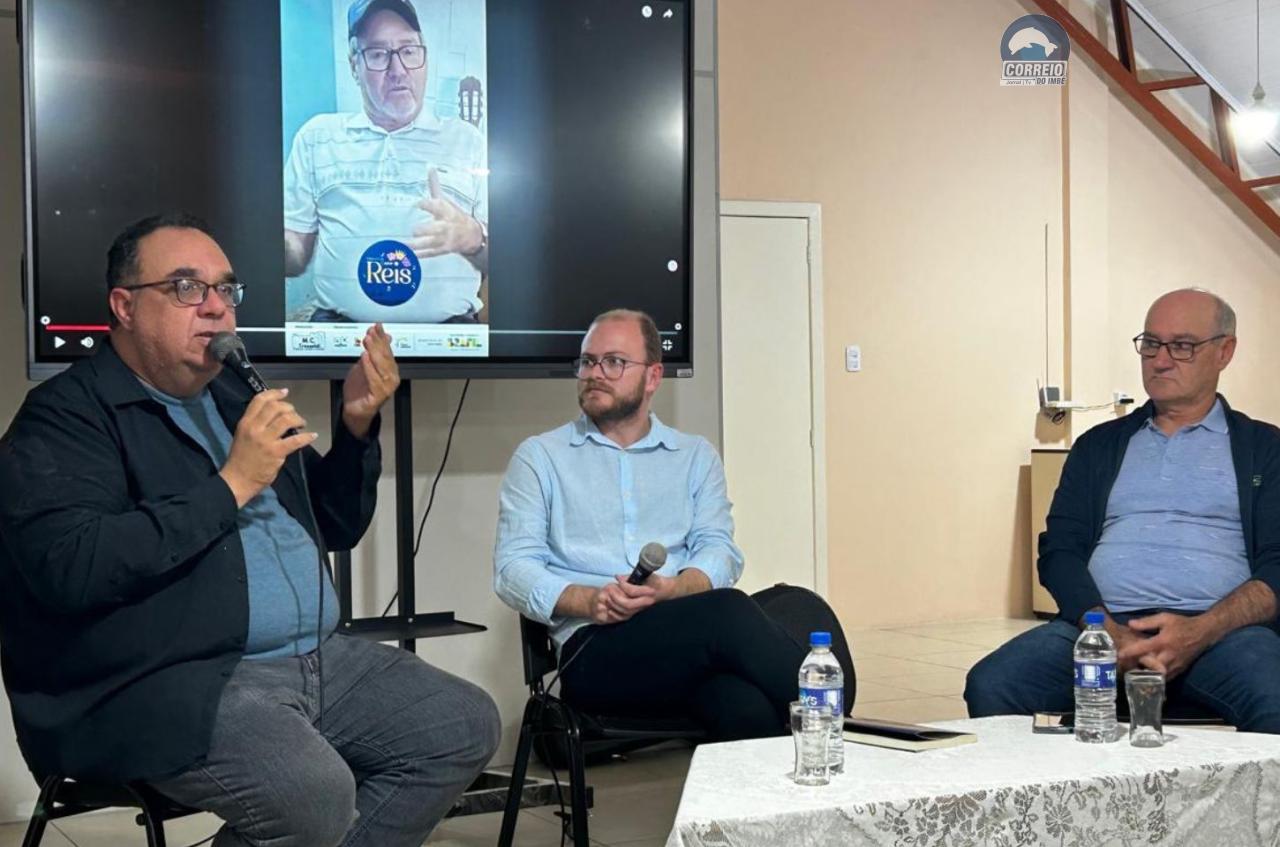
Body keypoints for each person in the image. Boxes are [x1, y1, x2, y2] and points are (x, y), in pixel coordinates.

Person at [0, 213, 499, 847]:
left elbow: (336, 523)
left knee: (462, 725)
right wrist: (231, 484)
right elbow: (72, 569)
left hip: (317, 661)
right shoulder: (64, 418)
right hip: (161, 679)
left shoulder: (233, 396)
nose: (214, 309)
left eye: (225, 291)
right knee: (313, 795)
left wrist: (355, 424)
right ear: (124, 306)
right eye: (186, 288)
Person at [494, 309, 834, 740]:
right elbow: (512, 570)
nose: (595, 373)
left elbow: (719, 549)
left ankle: (808, 790)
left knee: (745, 701)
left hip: (687, 638)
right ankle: (846, 724)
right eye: (587, 361)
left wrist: (674, 589)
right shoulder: (540, 457)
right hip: (595, 650)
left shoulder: (694, 456)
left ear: (653, 377)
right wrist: (591, 600)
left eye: (614, 362)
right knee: (729, 610)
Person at [965, 288, 1280, 732]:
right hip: (1099, 630)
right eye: (1151, 343)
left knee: (1274, 694)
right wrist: (1107, 631)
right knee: (994, 683)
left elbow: (1277, 566)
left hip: (1221, 637)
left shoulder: (1265, 450)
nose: (1161, 359)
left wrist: (1201, 631)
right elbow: (1060, 550)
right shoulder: (1100, 446)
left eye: (1182, 346)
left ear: (1224, 351)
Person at [284, 0, 488, 324]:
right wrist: (267, 241)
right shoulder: (316, 138)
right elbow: (295, 255)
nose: (398, 71)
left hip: (448, 336)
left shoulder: (469, 142)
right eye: (378, 54)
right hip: (341, 335)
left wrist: (474, 238)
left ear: (425, 58)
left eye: (408, 51)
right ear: (354, 65)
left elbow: (506, 265)